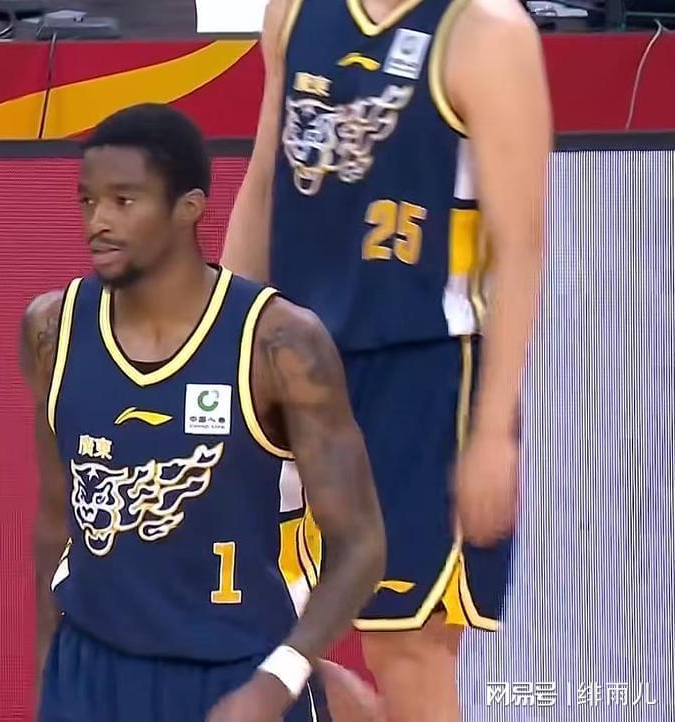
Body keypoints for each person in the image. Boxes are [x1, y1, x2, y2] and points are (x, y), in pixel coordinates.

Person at [220, 0, 551, 716]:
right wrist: (220, 348)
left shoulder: (487, 31)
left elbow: (521, 248)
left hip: (423, 379)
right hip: (295, 371)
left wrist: (495, 432)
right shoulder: (293, 14)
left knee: (406, 650)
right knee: (251, 638)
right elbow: (264, 186)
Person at [22, 103, 387, 722]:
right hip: (91, 670)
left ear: (188, 208)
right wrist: (46, 668)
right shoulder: (51, 329)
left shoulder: (279, 343)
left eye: (123, 201)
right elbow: (56, 519)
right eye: (88, 201)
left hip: (237, 673)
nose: (98, 221)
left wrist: (275, 683)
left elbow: (361, 546)